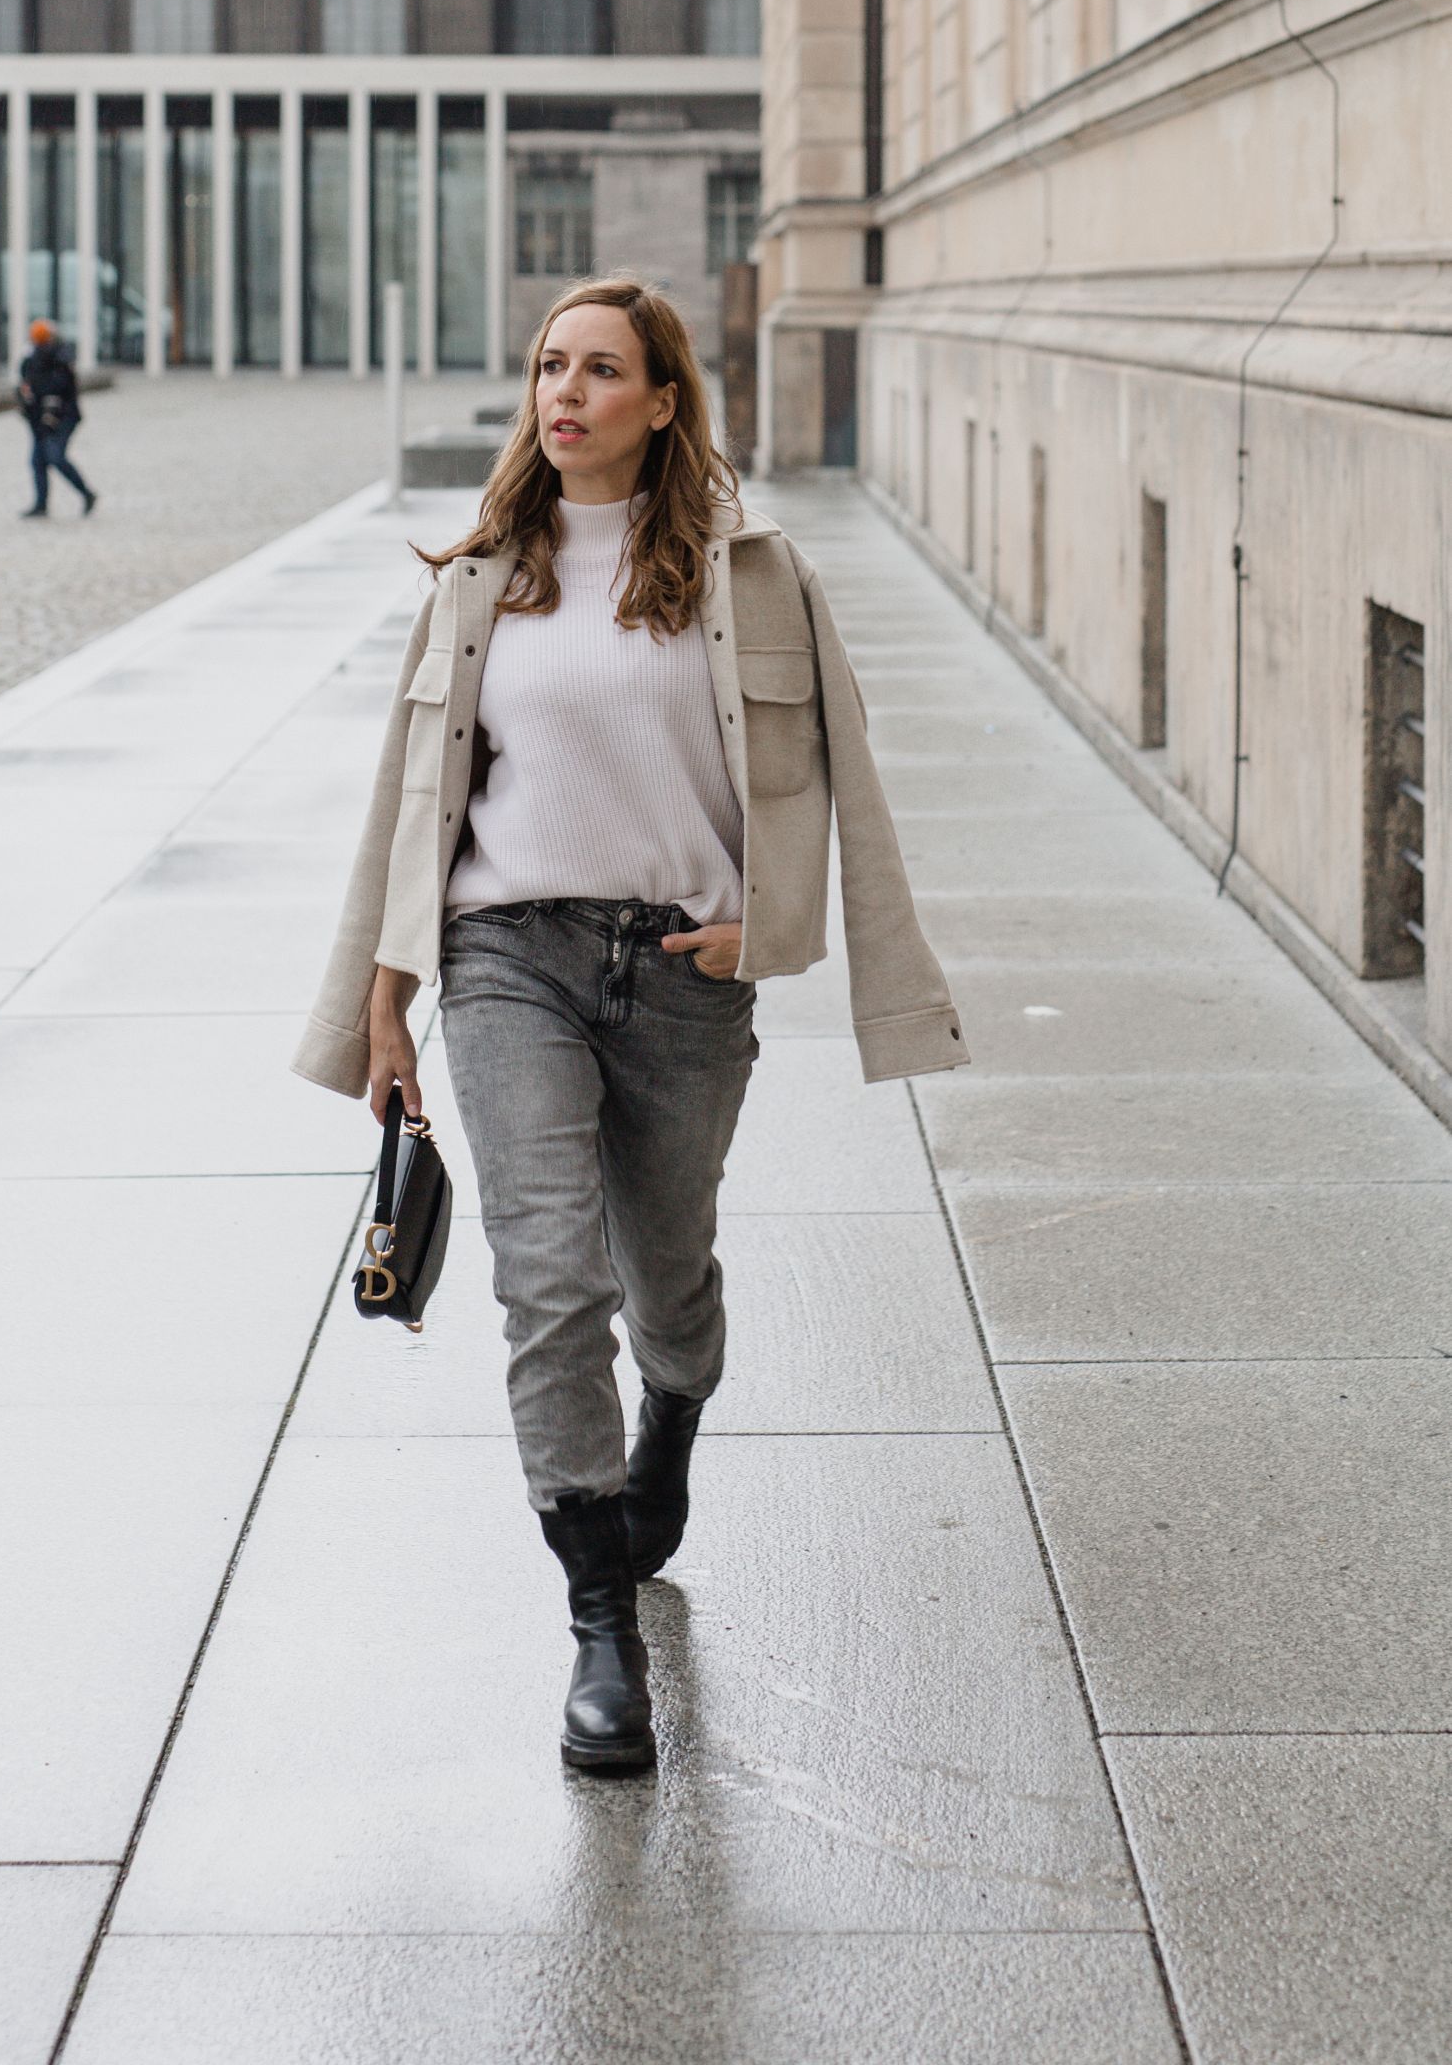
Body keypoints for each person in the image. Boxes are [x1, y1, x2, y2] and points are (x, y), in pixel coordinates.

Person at [292, 276, 967, 1774]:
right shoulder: (478, 577)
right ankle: (599, 1624)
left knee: (663, 1275)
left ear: (663, 401)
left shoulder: (756, 574)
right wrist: (383, 1005)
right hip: (507, 954)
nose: (566, 391)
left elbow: (836, 785)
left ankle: (674, 1407)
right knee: (549, 1281)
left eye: (601, 369)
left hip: (679, 973)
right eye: (549, 365)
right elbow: (410, 817)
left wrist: (769, 936)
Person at [16, 319, 97, 520]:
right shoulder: (31, 359)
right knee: (38, 460)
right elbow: (26, 386)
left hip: (62, 417)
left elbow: (60, 388)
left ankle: (86, 493)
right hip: (38, 418)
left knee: (55, 456)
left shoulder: (59, 357)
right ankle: (41, 504)